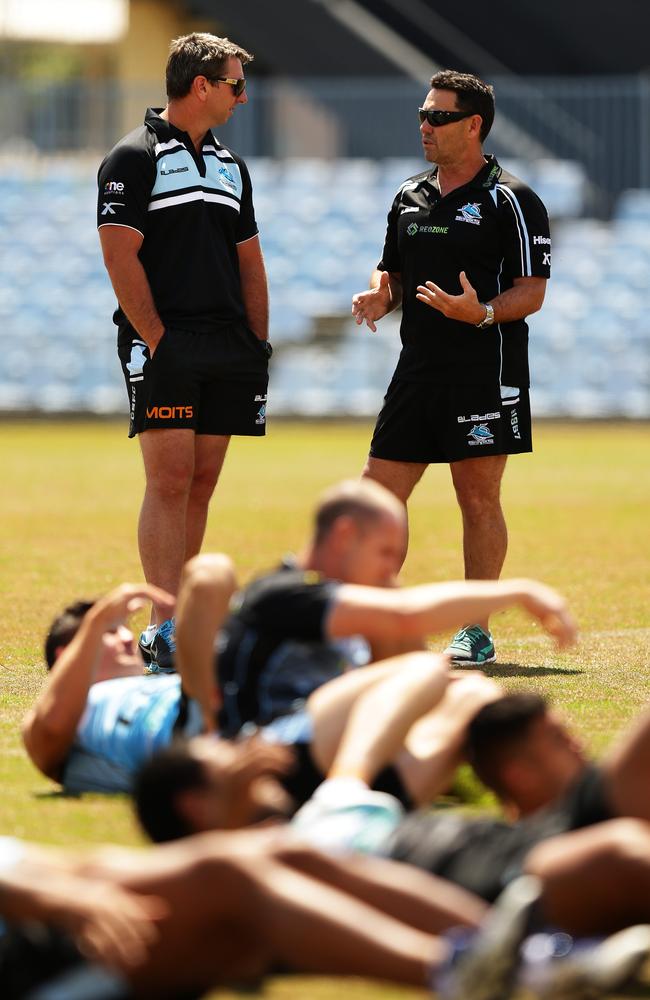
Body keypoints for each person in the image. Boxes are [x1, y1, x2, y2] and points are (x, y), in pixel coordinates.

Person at [352, 69, 552, 668]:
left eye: (438, 117)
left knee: (477, 497)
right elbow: (391, 273)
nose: (425, 126)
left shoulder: (513, 198)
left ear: (473, 126)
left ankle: (475, 629)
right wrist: (377, 298)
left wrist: (482, 312)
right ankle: (375, 622)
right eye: (423, 114)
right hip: (416, 368)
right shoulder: (407, 195)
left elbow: (533, 291)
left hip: (484, 368)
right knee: (377, 494)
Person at [97, 32, 271, 672]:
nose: (242, 97)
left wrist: (257, 341)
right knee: (169, 479)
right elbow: (119, 256)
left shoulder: (232, 165)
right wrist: (158, 341)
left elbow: (250, 263)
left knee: (202, 481)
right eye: (235, 85)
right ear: (202, 86)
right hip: (165, 340)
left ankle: (182, 617)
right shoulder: (130, 158)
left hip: (229, 344)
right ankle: (163, 625)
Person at [187, 480, 574, 739]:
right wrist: (519, 592)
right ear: (344, 536)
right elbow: (405, 616)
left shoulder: (351, 596)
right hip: (268, 738)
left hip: (326, 730)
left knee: (466, 689)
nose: (392, 569)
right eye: (385, 553)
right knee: (430, 674)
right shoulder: (285, 591)